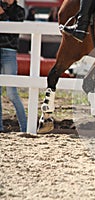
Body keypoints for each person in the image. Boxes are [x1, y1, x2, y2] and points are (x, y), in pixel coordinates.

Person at [0, 0, 27, 132]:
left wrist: (2, 15)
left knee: (12, 93)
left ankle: (25, 127)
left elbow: (12, 36)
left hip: (9, 52)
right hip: (7, 51)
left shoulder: (19, 11)